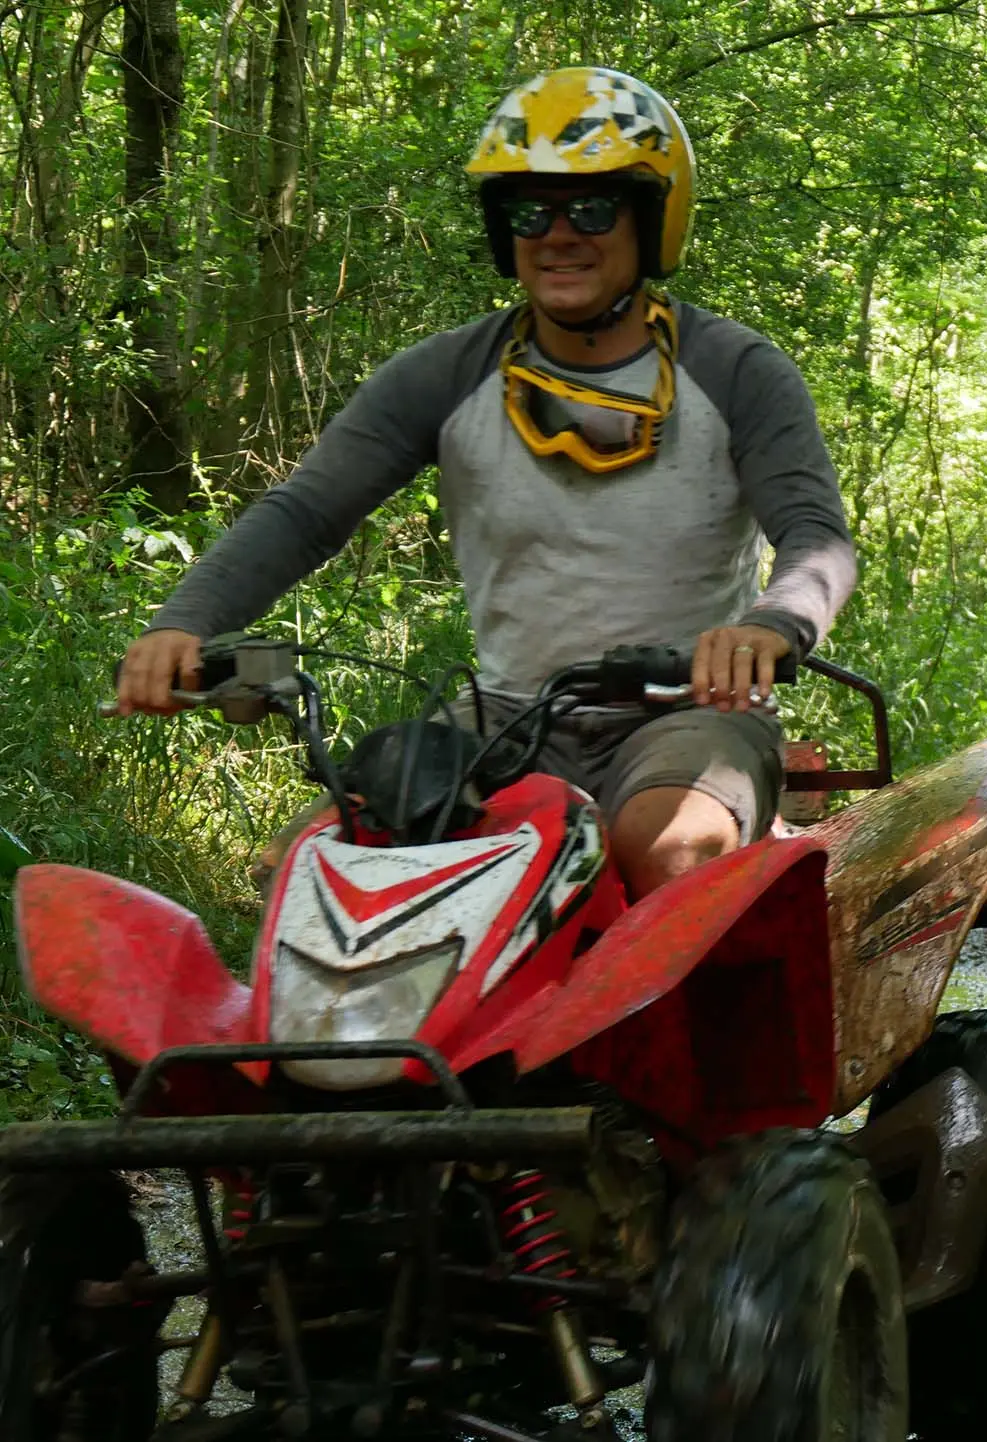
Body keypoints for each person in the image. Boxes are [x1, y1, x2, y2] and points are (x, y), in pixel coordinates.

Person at [114, 67, 856, 898]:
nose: (558, 235)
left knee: (669, 845)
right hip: (504, 713)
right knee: (319, 861)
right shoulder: (446, 373)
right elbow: (307, 512)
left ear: (652, 221)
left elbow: (814, 537)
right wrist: (184, 623)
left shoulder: (737, 369)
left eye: (593, 208)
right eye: (529, 212)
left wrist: (772, 625)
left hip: (691, 715)